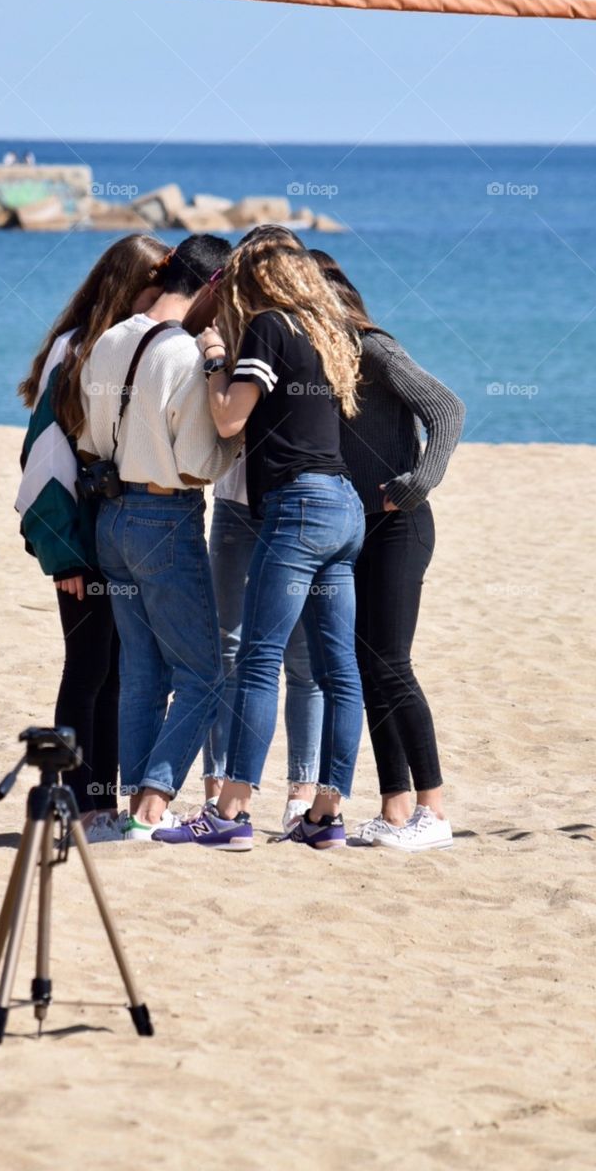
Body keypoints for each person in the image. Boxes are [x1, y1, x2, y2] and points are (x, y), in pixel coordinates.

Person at [155, 232, 365, 852]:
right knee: (338, 668)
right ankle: (325, 817)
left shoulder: (270, 327)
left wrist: (217, 355)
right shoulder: (329, 331)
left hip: (297, 507)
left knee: (256, 659)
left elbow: (229, 418)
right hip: (344, 507)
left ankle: (232, 811)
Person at [79, 234, 239, 841]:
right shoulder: (184, 356)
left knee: (143, 672)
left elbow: (92, 439)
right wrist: (240, 437)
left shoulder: (110, 338)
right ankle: (153, 802)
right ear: (213, 287)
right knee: (203, 673)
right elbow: (200, 462)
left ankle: (128, 810)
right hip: (165, 516)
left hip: (111, 517)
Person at [16, 233, 170, 842]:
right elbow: (44, 456)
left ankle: (99, 803)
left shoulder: (112, 346)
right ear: (132, 287)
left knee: (116, 670)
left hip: (112, 532)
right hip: (79, 539)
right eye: (156, 291)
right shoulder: (74, 349)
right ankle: (74, 803)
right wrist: (64, 554)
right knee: (87, 670)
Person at [314, 250, 465, 852]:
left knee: (392, 664)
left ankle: (434, 809)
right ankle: (395, 808)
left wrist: (416, 481)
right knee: (365, 665)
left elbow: (446, 407)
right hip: (359, 527)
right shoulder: (319, 357)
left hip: (402, 526)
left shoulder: (369, 347)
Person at [205, 451, 324, 833]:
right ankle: (218, 788)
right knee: (227, 650)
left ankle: (301, 793)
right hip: (235, 503)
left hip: (301, 506)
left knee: (303, 661)